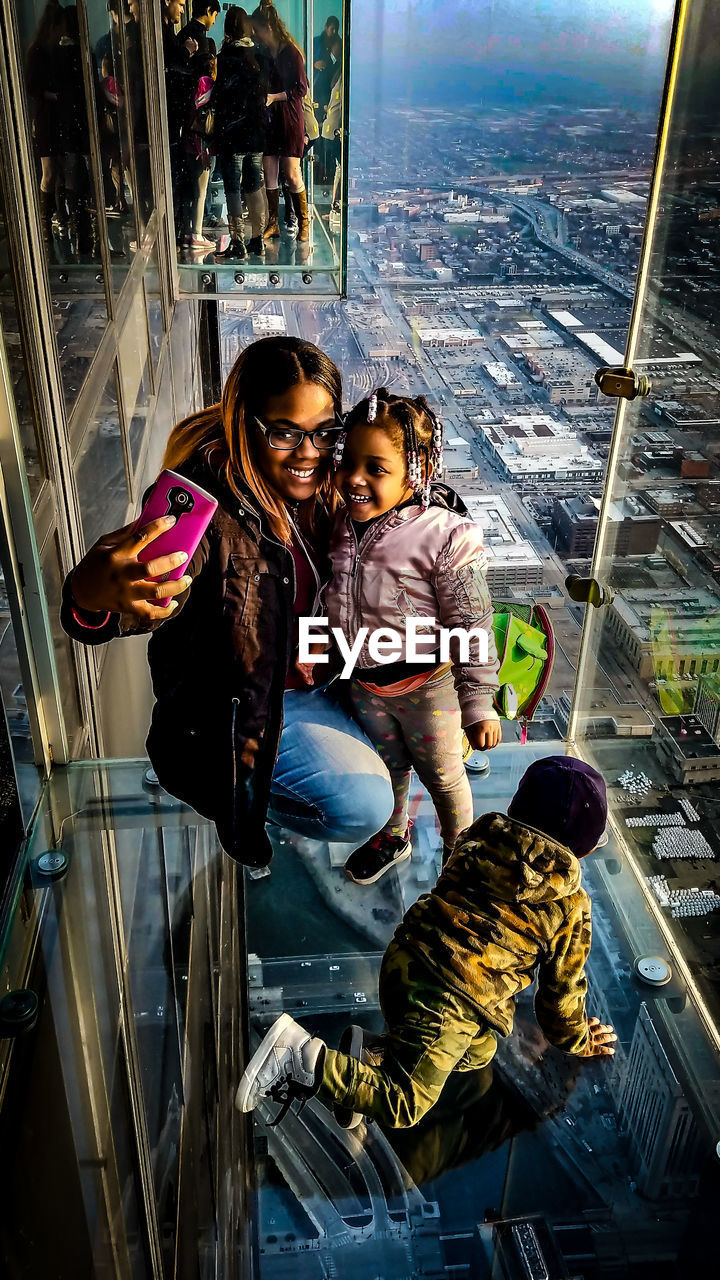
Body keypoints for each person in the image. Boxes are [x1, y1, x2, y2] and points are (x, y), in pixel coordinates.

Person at [61, 337, 394, 871]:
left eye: (324, 430)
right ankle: (246, 798)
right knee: (364, 805)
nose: (309, 451)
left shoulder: (330, 481)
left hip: (327, 677)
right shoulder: (205, 512)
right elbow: (115, 605)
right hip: (243, 717)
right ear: (246, 423)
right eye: (286, 432)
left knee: (425, 727)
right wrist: (91, 593)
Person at [236, 755, 618, 1129]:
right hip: (449, 999)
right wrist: (578, 1040)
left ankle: (372, 1059)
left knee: (480, 1049)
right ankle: (299, 1058)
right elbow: (559, 999)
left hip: (404, 957)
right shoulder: (569, 906)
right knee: (404, 1103)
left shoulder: (478, 837)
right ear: (582, 850)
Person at [318, 387, 501, 886]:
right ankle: (394, 834)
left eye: (376, 468)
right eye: (348, 462)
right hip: (364, 682)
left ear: (415, 473)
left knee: (444, 779)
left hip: (429, 688)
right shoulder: (338, 522)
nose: (354, 479)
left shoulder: (445, 536)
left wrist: (479, 701)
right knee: (389, 766)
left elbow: (472, 620)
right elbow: (326, 596)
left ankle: (460, 865)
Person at [251, 1, 310, 242]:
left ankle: (303, 222)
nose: (256, 35)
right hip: (271, 119)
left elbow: (301, 89)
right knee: (270, 171)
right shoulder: (265, 52)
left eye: (258, 29)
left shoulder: (291, 52)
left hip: (289, 119)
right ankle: (272, 222)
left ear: (268, 27)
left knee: (292, 173)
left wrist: (274, 96)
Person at [212, 6, 267, 260]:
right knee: (255, 186)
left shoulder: (225, 58)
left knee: (233, 189)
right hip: (255, 134)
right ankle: (258, 239)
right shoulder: (258, 55)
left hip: (233, 135)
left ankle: (238, 243)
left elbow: (221, 98)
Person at [25, 0, 65, 257]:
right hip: (46, 118)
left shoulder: (49, 50)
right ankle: (43, 225)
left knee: (56, 171)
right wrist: (54, 96)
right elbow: (32, 88)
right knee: (49, 172)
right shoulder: (39, 51)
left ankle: (52, 220)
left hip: (53, 117)